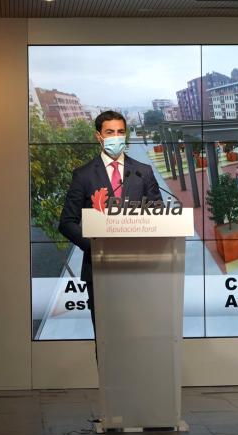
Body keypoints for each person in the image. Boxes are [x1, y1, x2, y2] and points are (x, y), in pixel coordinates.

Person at [58, 111, 162, 339]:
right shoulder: (83, 175)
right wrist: (97, 247)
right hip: (100, 271)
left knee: (143, 338)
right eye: (110, 132)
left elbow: (159, 217)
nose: (116, 137)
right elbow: (66, 223)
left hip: (139, 270)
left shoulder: (143, 172)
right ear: (99, 136)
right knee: (109, 342)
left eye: (121, 132)